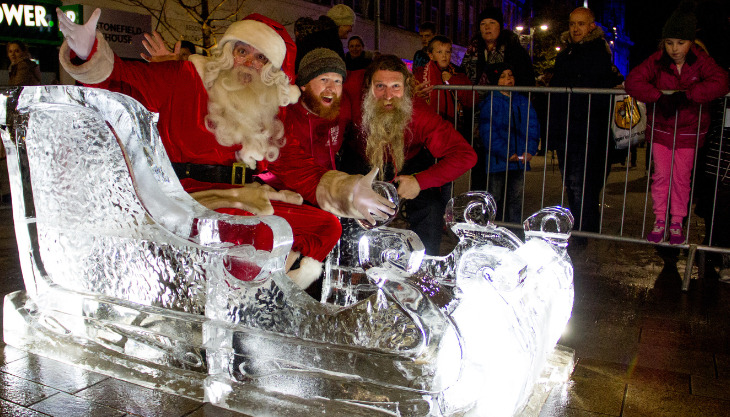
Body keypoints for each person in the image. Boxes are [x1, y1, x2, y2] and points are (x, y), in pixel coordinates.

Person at [56, 9, 393, 289]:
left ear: (271, 69)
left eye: (260, 57)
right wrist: (87, 53)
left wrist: (350, 191)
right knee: (255, 230)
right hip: (183, 194)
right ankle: (237, 307)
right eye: (241, 50)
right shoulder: (186, 75)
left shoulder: (267, 108)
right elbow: (122, 79)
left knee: (326, 226)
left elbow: (298, 167)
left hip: (240, 195)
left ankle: (278, 292)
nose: (247, 62)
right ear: (228, 50)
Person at [341, 55, 477, 255]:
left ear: (406, 88)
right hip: (361, 157)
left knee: (430, 206)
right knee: (345, 201)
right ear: (368, 87)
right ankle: (348, 261)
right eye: (380, 87)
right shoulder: (350, 88)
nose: (388, 95)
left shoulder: (420, 113)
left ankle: (423, 268)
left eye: (395, 87)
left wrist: (420, 181)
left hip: (409, 160)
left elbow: (465, 155)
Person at [625, 4, 728, 244]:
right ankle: (660, 219)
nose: (674, 49)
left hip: (688, 133)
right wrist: (659, 96)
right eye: (669, 42)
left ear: (691, 42)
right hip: (662, 130)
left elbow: (721, 82)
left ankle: (677, 222)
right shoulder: (658, 60)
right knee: (661, 176)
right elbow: (633, 81)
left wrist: (689, 94)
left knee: (681, 178)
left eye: (680, 43)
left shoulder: (701, 61)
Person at [548, 7, 624, 242]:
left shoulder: (597, 50)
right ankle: (582, 225)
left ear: (591, 26)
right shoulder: (567, 51)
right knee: (571, 180)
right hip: (568, 125)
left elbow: (594, 79)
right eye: (572, 24)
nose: (575, 28)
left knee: (581, 181)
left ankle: (583, 228)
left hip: (589, 127)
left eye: (581, 24)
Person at [479, 63, 539, 224]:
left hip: (519, 160)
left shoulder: (522, 101)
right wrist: (506, 152)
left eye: (510, 75)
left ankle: (515, 230)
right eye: (503, 76)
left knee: (516, 198)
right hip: (498, 161)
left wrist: (530, 150)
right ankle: (491, 230)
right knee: (494, 198)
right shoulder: (491, 102)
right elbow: (489, 133)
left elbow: (532, 127)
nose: (508, 79)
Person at [462, 7, 534, 88]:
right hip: (475, 98)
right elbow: (463, 74)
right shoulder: (472, 51)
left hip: (506, 98)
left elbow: (526, 79)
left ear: (500, 27)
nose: (487, 27)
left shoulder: (514, 50)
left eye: (492, 23)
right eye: (483, 23)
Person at [413, 35, 475, 124]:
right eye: (439, 52)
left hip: (454, 125)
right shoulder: (420, 74)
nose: (444, 56)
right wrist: (416, 94)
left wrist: (452, 80)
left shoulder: (459, 73)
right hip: (428, 123)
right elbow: (411, 98)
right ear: (431, 55)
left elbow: (472, 100)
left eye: (447, 52)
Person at [294, 4, 355, 71]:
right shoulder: (332, 40)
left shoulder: (311, 34)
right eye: (350, 25)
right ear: (341, 23)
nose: (351, 29)